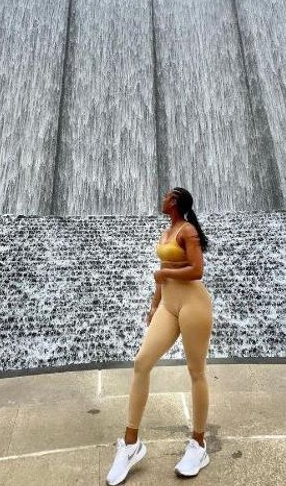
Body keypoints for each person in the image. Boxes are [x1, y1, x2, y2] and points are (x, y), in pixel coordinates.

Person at [108, 187, 214, 484]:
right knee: (141, 362)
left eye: (167, 196)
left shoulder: (188, 230)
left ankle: (199, 444)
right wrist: (154, 304)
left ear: (176, 202)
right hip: (168, 305)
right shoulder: (168, 231)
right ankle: (130, 445)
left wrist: (164, 276)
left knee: (196, 372)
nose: (162, 198)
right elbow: (164, 268)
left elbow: (196, 270)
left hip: (194, 304)